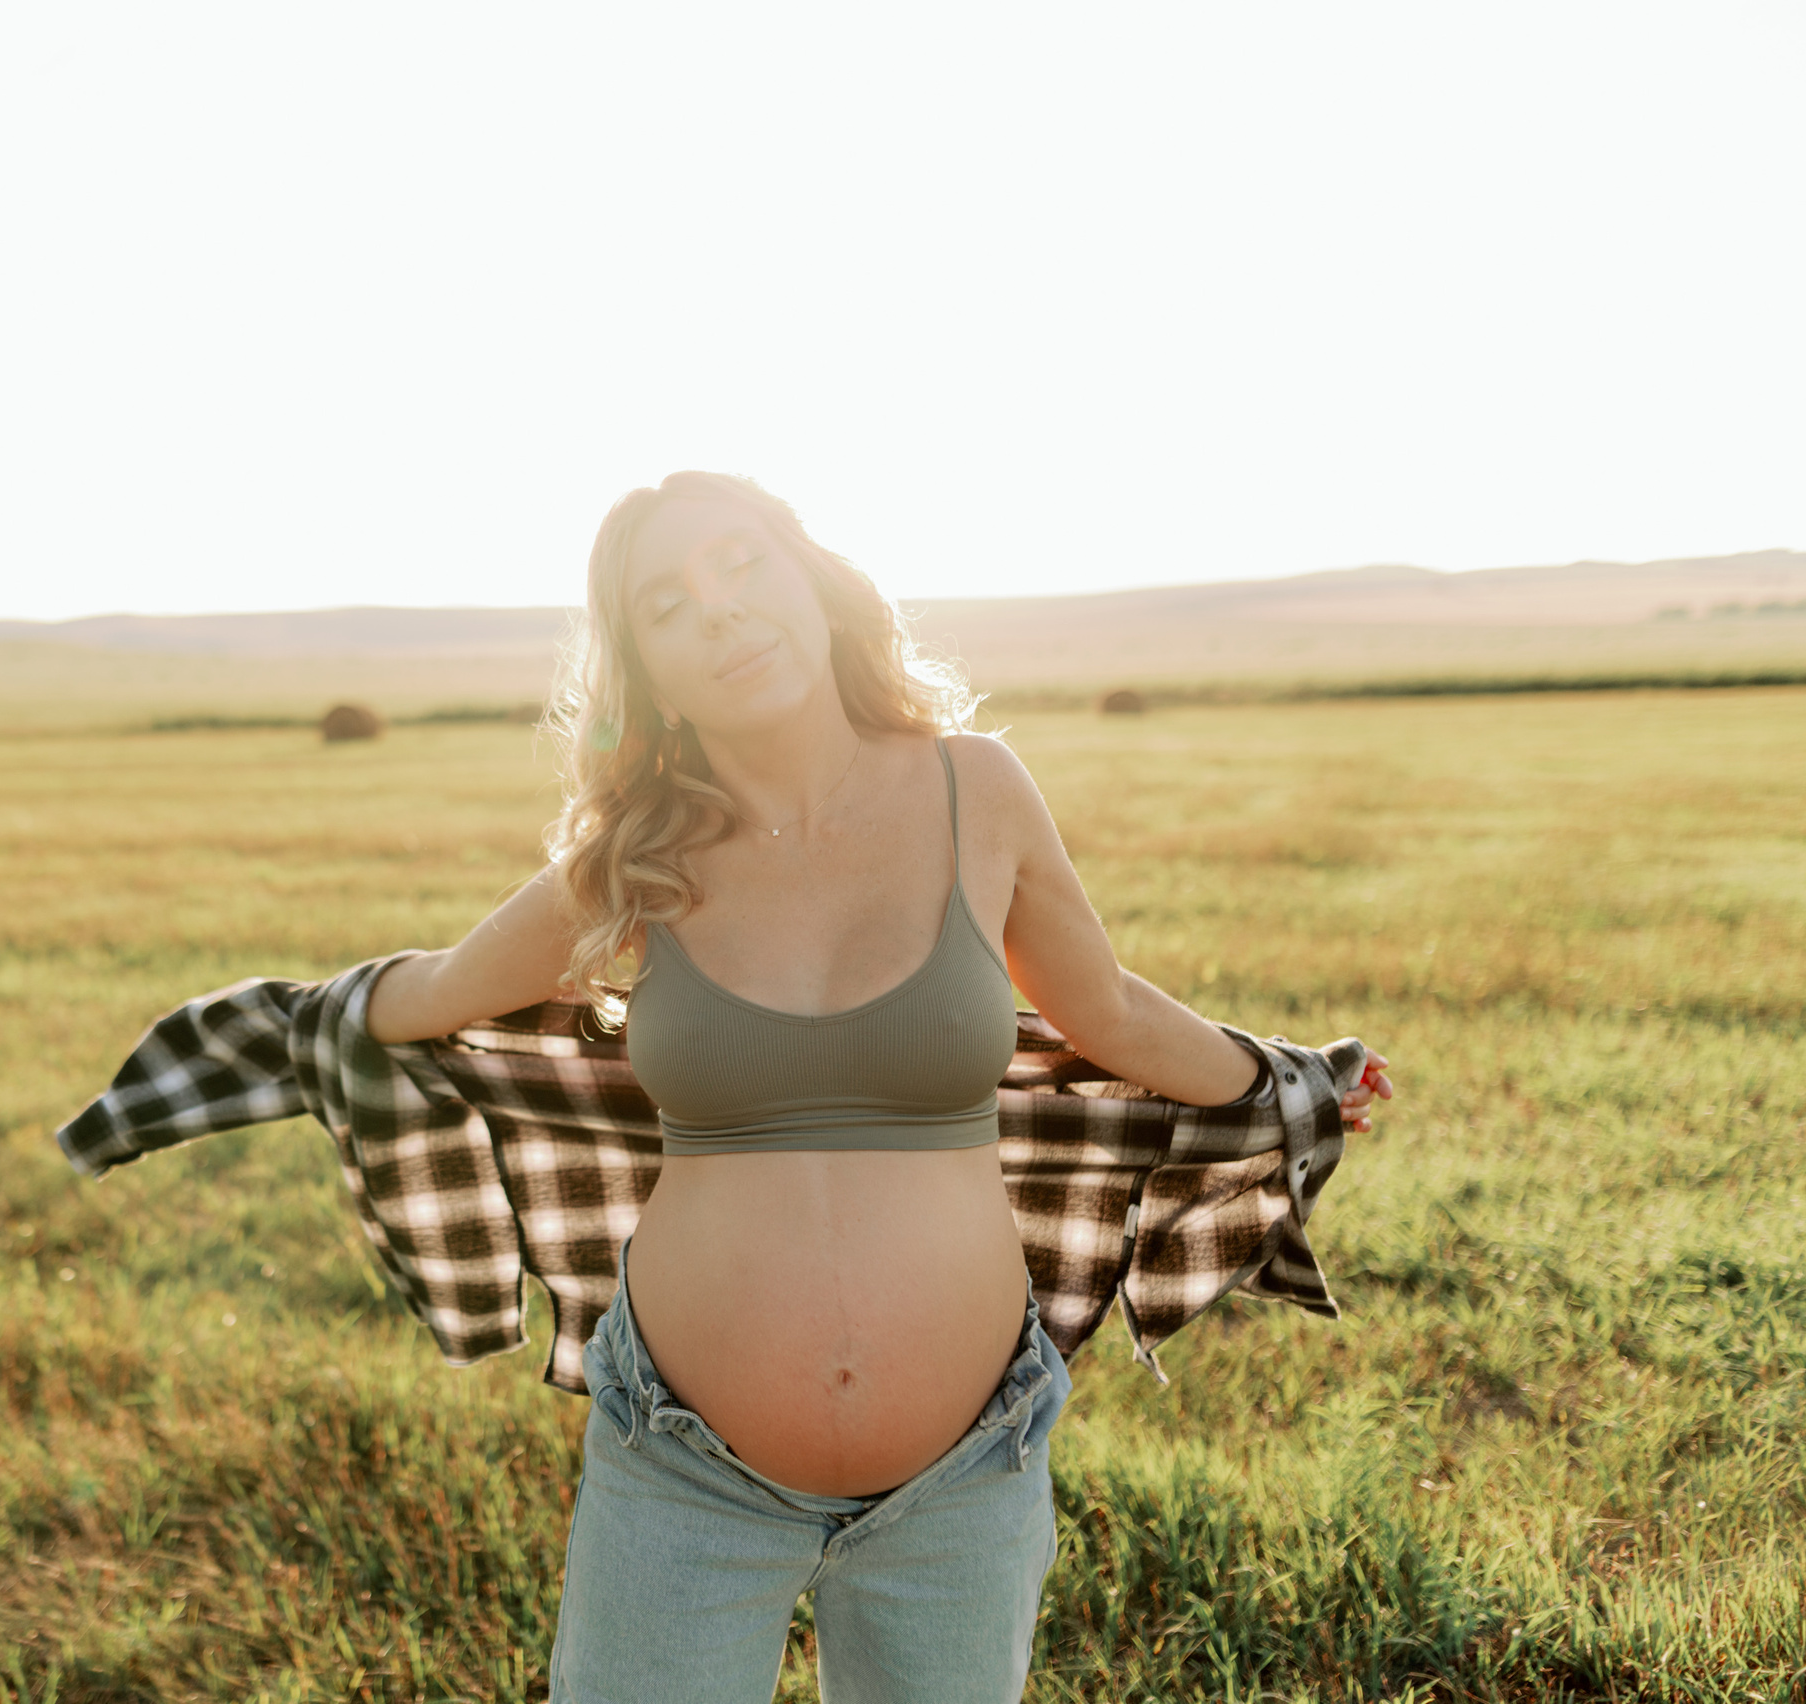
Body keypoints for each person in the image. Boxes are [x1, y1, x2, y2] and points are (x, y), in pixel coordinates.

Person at [361, 471, 1392, 1702]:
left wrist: (1289, 1086)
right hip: (677, 1461)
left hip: (965, 1472)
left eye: (744, 567)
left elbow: (1107, 1012)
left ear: (812, 578)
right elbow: (441, 991)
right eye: (670, 607)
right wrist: (299, 1018)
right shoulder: (636, 856)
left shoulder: (976, 789)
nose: (723, 615)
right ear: (643, 666)